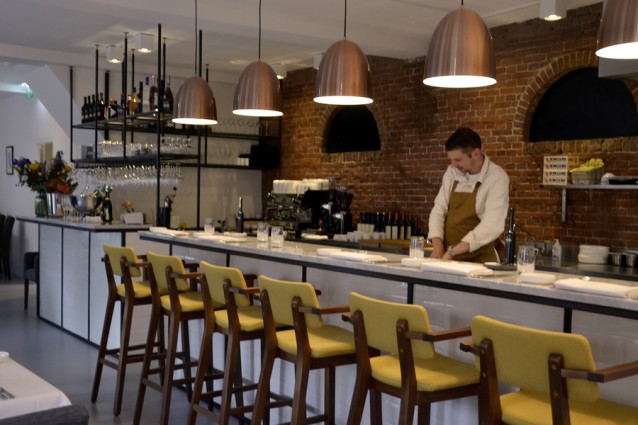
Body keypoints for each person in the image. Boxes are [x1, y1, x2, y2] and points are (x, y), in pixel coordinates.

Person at [428, 127, 509, 263]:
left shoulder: (497, 177)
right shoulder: (452, 172)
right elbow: (439, 209)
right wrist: (437, 245)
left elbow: (492, 225)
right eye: (451, 160)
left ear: (476, 153)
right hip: (449, 259)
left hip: (480, 262)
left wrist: (453, 251)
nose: (453, 165)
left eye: (458, 160)